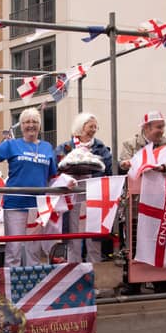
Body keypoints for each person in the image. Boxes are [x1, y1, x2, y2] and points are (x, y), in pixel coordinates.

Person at [118, 110, 166, 294]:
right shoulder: (130, 144)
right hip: (136, 205)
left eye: (163, 127)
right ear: (146, 128)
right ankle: (133, 282)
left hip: (162, 204)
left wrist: (162, 167)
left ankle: (162, 281)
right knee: (134, 243)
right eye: (158, 127)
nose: (162, 131)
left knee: (159, 241)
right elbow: (123, 164)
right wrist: (125, 164)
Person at [0, 107, 57, 267]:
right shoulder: (11, 144)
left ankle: (33, 286)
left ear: (40, 125)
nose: (31, 125)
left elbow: (53, 176)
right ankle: (11, 286)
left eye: (34, 122)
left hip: (37, 205)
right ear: (21, 126)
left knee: (34, 250)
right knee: (14, 248)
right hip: (15, 204)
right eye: (26, 122)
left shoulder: (47, 147)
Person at [55, 112, 112, 263]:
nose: (93, 129)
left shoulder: (100, 148)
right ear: (81, 126)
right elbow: (57, 168)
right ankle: (73, 270)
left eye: (95, 127)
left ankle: (95, 271)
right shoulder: (66, 147)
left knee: (94, 237)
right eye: (90, 126)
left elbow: (108, 170)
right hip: (73, 196)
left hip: (94, 196)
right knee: (74, 234)